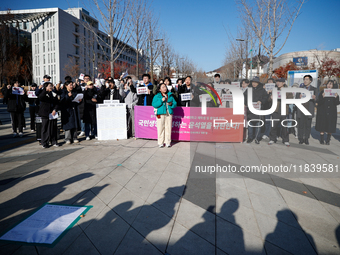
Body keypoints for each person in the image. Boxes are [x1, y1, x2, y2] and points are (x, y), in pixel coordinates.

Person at [268, 78, 293, 147]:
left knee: (284, 127)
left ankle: (285, 140)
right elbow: (269, 100)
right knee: (273, 126)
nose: (278, 83)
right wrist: (271, 97)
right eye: (277, 82)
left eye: (280, 82)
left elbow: (291, 100)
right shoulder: (275, 90)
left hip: (284, 111)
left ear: (283, 83)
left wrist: (286, 98)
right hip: (275, 111)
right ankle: (272, 139)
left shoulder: (288, 91)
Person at [244, 77, 268, 144]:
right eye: (253, 82)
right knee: (250, 125)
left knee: (258, 125)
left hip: (259, 110)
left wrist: (261, 101)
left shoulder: (262, 90)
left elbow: (266, 97)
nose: (254, 83)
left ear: (258, 83)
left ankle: (257, 138)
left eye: (256, 82)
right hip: (250, 110)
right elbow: (244, 97)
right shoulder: (248, 89)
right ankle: (250, 138)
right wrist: (244, 103)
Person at [152, 83, 177, 148]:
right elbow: (154, 104)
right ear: (160, 89)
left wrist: (171, 104)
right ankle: (160, 142)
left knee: (168, 128)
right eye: (163, 87)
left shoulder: (170, 95)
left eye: (165, 87)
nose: (164, 88)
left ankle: (168, 142)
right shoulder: (157, 96)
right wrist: (161, 100)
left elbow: (175, 103)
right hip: (160, 114)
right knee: (160, 128)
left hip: (168, 114)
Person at [315, 80, 340, 145]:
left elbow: (337, 103)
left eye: (331, 84)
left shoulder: (335, 93)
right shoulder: (322, 92)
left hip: (331, 112)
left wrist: (336, 97)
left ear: (333, 86)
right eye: (328, 84)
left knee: (330, 126)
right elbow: (319, 102)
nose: (329, 85)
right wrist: (322, 97)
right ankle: (322, 139)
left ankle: (328, 140)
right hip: (323, 111)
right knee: (322, 126)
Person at [296, 75, 317, 145]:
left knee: (308, 126)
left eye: (307, 79)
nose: (305, 81)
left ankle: (306, 138)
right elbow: (295, 99)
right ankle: (301, 138)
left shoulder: (314, 89)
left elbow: (318, 100)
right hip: (301, 109)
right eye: (304, 79)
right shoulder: (300, 89)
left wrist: (315, 98)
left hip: (309, 110)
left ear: (310, 81)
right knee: (301, 125)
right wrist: (299, 97)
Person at [38, 82, 59, 148]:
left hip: (52, 113)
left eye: (51, 86)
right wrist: (45, 90)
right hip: (45, 113)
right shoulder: (43, 92)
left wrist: (55, 109)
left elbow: (57, 103)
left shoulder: (54, 93)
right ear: (46, 87)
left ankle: (54, 141)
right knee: (45, 128)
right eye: (50, 86)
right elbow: (41, 97)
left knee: (53, 128)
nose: (51, 87)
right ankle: (45, 142)